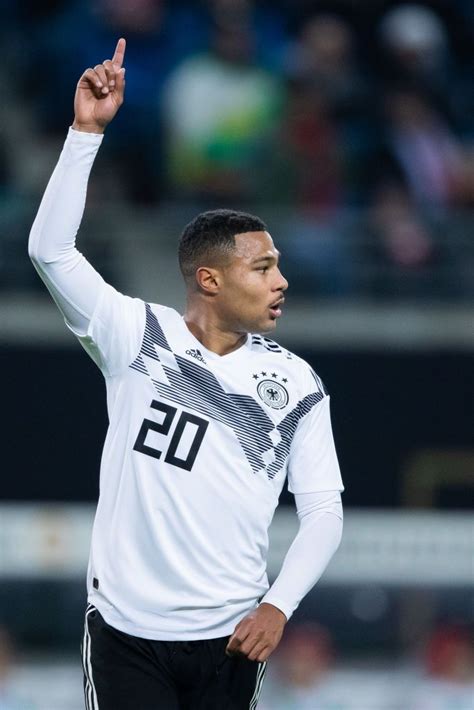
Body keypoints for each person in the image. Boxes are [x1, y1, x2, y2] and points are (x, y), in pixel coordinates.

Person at [28, 39, 344, 710]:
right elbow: (49, 250)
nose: (281, 282)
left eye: (278, 265)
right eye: (262, 269)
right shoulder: (135, 335)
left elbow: (323, 512)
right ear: (209, 278)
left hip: (231, 638)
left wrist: (279, 606)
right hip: (125, 635)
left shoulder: (297, 385)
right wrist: (85, 133)